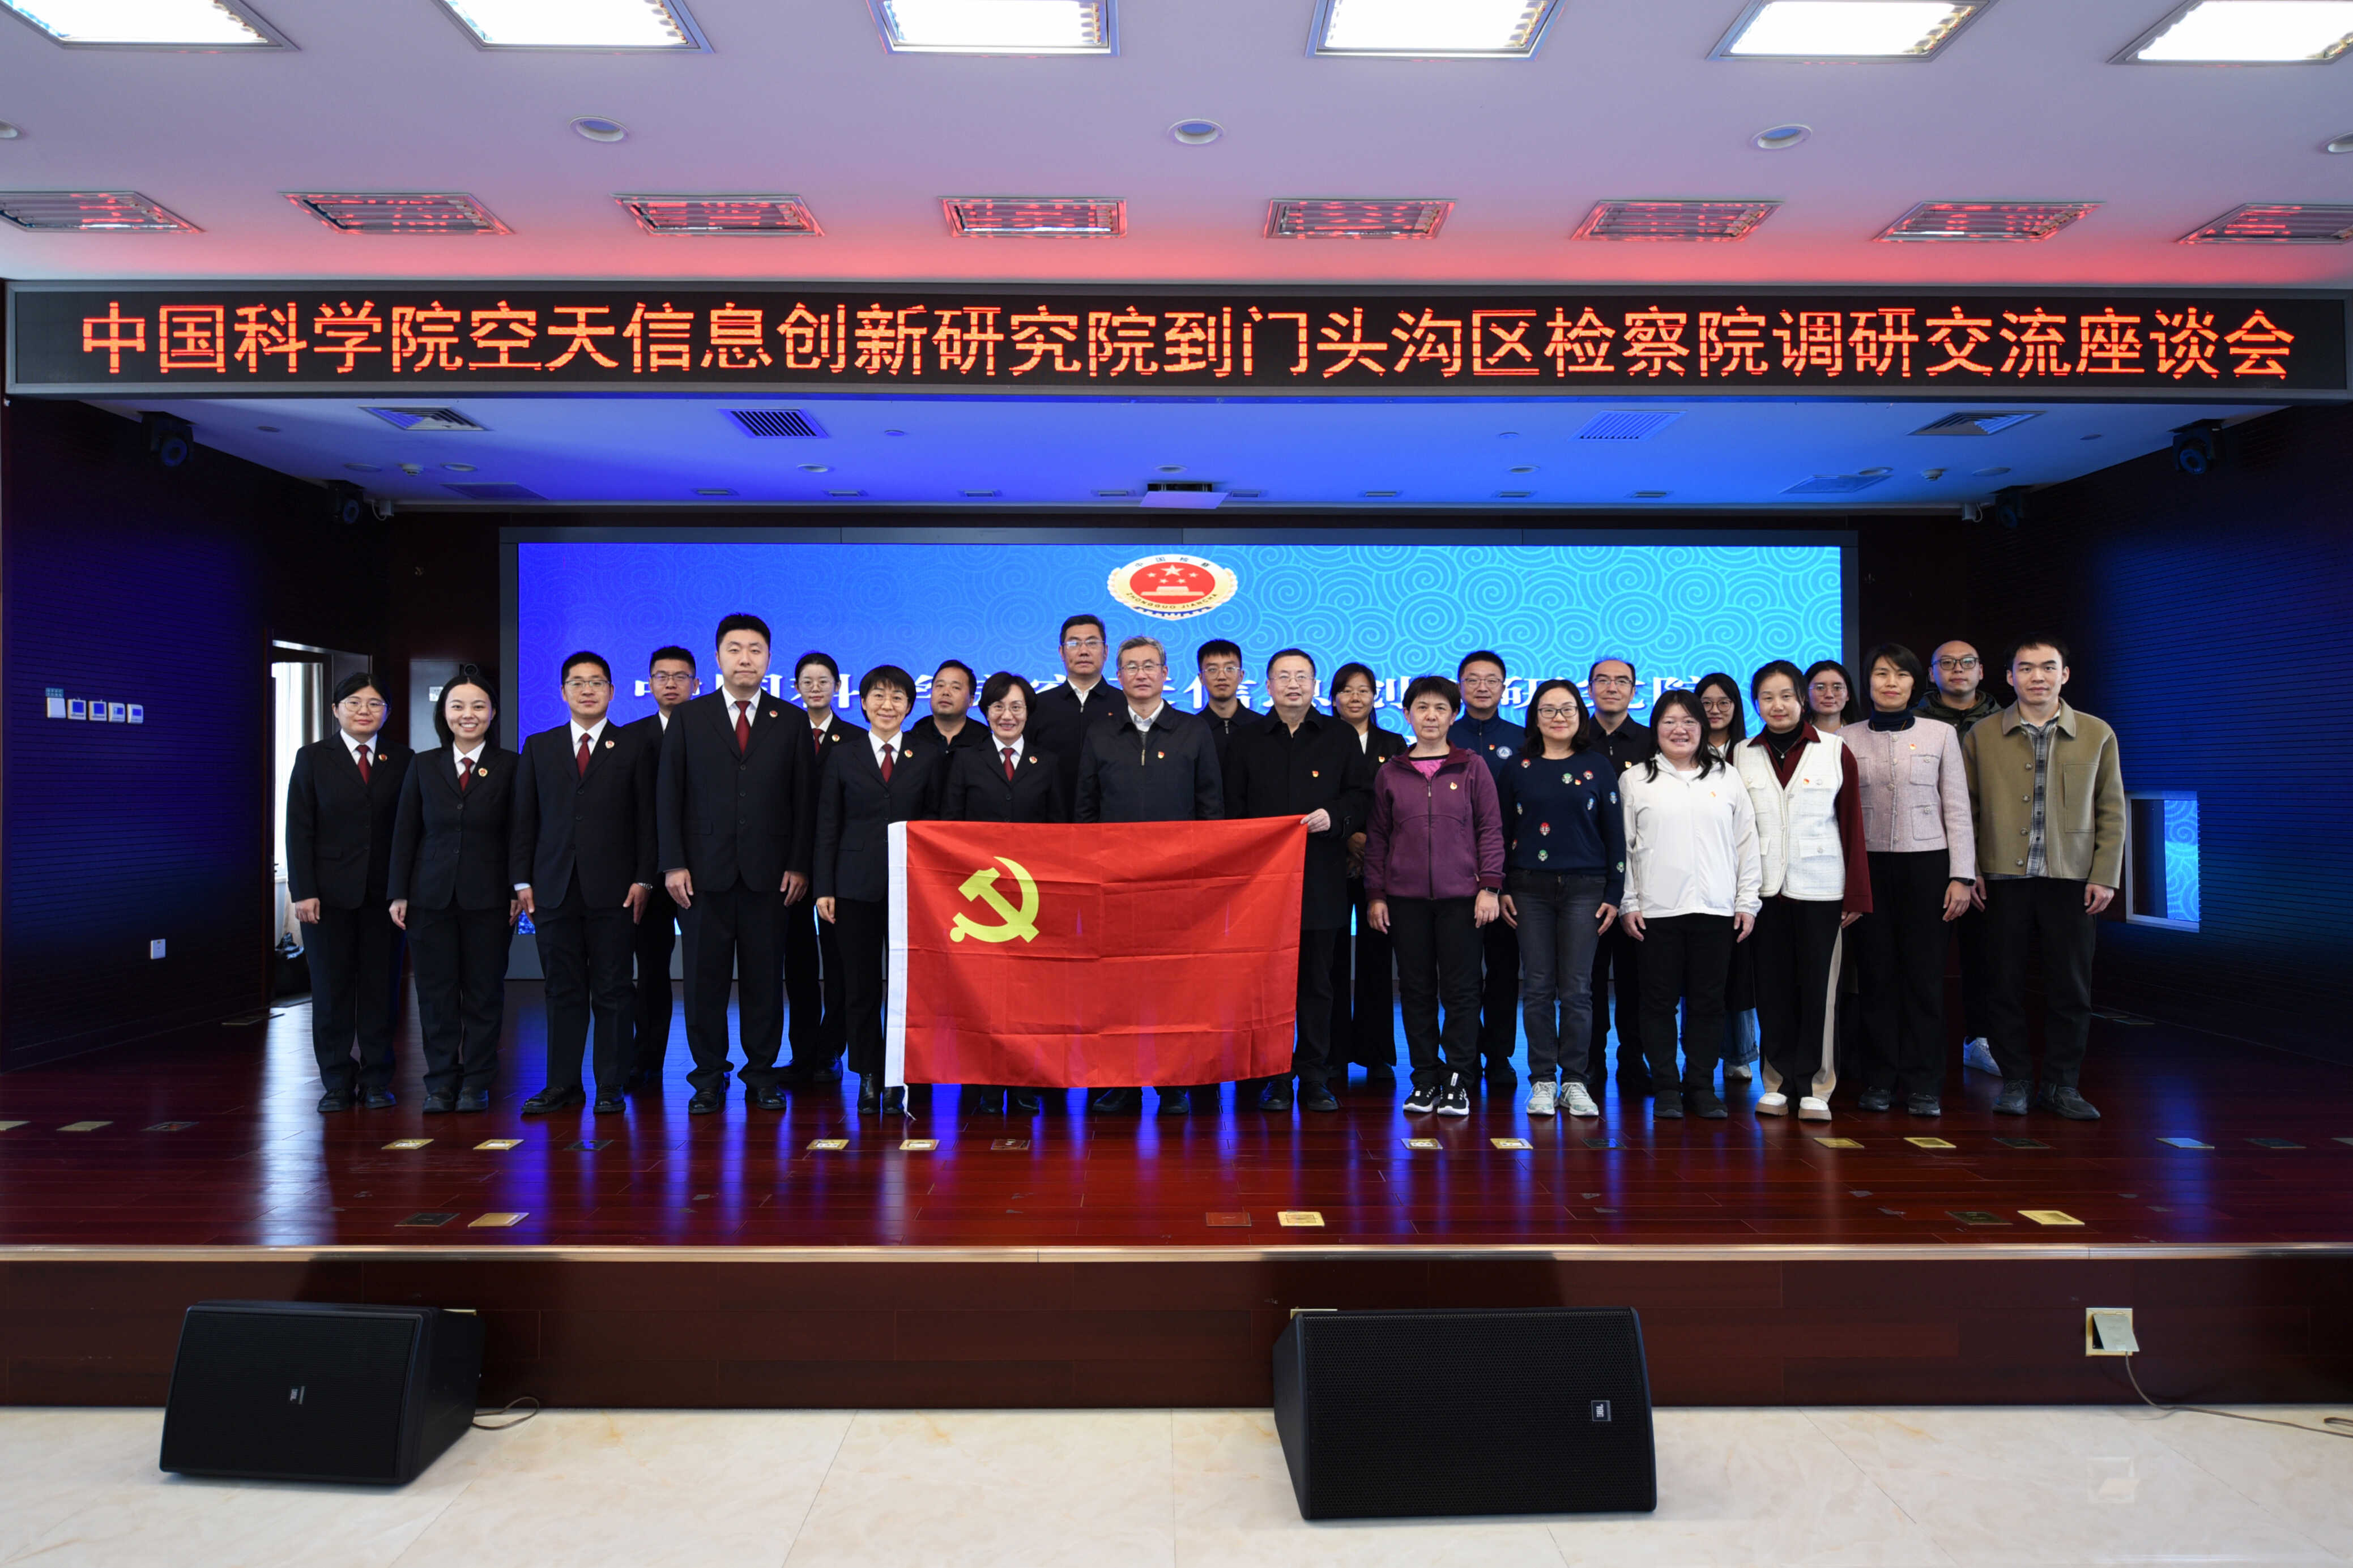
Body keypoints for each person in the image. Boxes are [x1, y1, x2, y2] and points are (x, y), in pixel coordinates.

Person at [657, 614, 818, 1116]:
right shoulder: (689, 716)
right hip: (701, 875)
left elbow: (804, 800)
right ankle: (708, 1076)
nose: (745, 658)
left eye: (755, 650)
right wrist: (673, 864)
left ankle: (761, 1075)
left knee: (765, 982)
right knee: (703, 981)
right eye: (734, 649)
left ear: (769, 658)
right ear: (718, 657)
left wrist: (799, 864)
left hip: (771, 875)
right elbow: (669, 795)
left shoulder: (791, 720)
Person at [1963, 638, 2125, 1121]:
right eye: (2027, 668)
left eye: (2048, 667)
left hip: (2071, 878)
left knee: (2071, 988)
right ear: (2009, 677)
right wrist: (1969, 870)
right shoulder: (1982, 734)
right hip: (2001, 878)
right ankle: (2015, 1080)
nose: (2038, 676)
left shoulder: (2097, 733)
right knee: (2003, 984)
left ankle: (2061, 1085)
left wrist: (2105, 874)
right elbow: (1966, 809)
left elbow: (2112, 809)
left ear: (2065, 674)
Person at [1076, 634, 1224, 1114]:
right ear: (1118, 676)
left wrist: (1203, 878)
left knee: (1172, 985)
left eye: (1150, 666)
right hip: (1114, 883)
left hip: (1177, 884)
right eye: (1131, 667)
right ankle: (1122, 1079)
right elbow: (1085, 810)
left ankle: (1172, 1080)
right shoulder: (1100, 733)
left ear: (1166, 674)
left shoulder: (1192, 731)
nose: (1141, 674)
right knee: (1118, 986)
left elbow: (1210, 809)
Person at [1223, 649, 1373, 1114]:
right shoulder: (1246, 740)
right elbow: (1230, 810)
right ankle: (1273, 1075)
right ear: (1267, 685)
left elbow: (1362, 796)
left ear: (1314, 685)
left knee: (1316, 983)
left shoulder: (1339, 736)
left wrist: (1337, 816)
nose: (1293, 684)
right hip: (1260, 886)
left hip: (1320, 879)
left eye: (1302, 677)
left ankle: (1314, 1075)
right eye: (1284, 677)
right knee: (1266, 987)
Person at [512, 651, 659, 1116]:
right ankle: (563, 1084)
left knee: (614, 988)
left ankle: (611, 1084)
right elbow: (524, 819)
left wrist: (644, 878)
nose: (587, 690)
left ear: (612, 692)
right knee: (562, 988)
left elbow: (648, 819)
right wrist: (521, 880)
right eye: (577, 682)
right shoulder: (539, 746)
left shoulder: (634, 745)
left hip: (616, 889)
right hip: (553, 886)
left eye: (597, 682)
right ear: (563, 692)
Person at [1734, 660, 1870, 1122]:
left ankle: (1815, 1084)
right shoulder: (1741, 754)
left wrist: (1856, 894)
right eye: (1767, 697)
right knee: (1772, 989)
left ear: (1802, 699)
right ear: (1756, 704)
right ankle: (1776, 1082)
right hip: (1763, 892)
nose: (1778, 705)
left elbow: (1852, 824)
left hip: (1823, 888)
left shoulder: (1835, 750)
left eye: (1787, 696)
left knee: (1819, 992)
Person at [1843, 644, 1974, 1118]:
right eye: (1881, 674)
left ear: (1915, 683)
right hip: (1868, 869)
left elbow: (1956, 806)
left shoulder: (1941, 734)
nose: (1891, 683)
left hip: (1929, 868)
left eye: (1900, 674)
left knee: (1924, 979)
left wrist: (1962, 875)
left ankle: (1923, 1084)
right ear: (1868, 682)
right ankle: (1879, 1079)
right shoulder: (1845, 738)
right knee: (1876, 977)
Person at [1618, 689, 1762, 1120]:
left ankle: (1700, 1085)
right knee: (1658, 1003)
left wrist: (1747, 901)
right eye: (1669, 722)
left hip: (1716, 910)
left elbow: (1746, 842)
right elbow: (1624, 848)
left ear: (1702, 728)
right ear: (1656, 729)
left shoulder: (1727, 777)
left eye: (1689, 722)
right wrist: (1628, 901)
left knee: (1708, 1003)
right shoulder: (1635, 780)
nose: (1679, 730)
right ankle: (1666, 1086)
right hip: (1655, 911)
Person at [1365, 676, 1503, 1118]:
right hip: (1404, 900)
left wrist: (1490, 887)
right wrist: (1376, 894)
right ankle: (1424, 1078)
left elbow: (1490, 829)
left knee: (1462, 991)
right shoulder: (1391, 771)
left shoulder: (1472, 767)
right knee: (1416, 990)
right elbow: (1378, 838)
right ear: (1407, 714)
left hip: (1463, 898)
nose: (1431, 716)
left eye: (1441, 708)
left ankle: (1459, 1078)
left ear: (1454, 715)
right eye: (1422, 708)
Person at [815, 665, 949, 1117]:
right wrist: (825, 886)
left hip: (914, 887)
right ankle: (869, 1075)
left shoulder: (927, 755)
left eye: (897, 697)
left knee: (910, 989)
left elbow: (937, 822)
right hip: (853, 886)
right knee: (860, 986)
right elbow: (827, 824)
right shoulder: (843, 755)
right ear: (863, 702)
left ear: (910, 706)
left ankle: (902, 1074)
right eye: (878, 696)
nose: (887, 705)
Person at [388, 666, 519, 1115]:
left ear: (493, 712)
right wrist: (398, 892)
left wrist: (517, 888)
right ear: (444, 713)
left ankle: (477, 1081)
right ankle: (441, 1081)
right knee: (436, 994)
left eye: (479, 706)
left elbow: (519, 833)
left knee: (484, 993)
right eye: (458, 706)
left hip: (490, 898)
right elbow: (406, 832)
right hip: (430, 897)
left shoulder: (512, 765)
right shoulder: (423, 764)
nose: (469, 714)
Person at [1494, 678, 1623, 1119]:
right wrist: (1502, 886)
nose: (1558, 717)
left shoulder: (1597, 765)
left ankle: (1575, 1081)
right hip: (1528, 888)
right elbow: (1501, 832)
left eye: (1567, 708)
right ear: (1535, 716)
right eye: (1548, 709)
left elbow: (1615, 833)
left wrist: (1614, 892)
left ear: (1580, 715)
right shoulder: (1517, 766)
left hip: (1586, 889)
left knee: (1578, 989)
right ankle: (1543, 1080)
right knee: (1536, 986)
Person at [941, 671, 1068, 1115]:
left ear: (1028, 713)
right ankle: (988, 1081)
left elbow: (1060, 830)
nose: (1007, 715)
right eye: (998, 706)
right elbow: (949, 826)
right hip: (980, 897)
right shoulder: (966, 760)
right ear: (985, 711)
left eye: (1016, 707)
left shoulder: (1047, 762)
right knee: (984, 993)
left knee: (1029, 993)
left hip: (1033, 897)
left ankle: (1025, 1079)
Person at [285, 673, 414, 1113]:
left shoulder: (403, 759)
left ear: (387, 712)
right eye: (354, 702)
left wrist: (403, 889)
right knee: (331, 990)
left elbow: (409, 829)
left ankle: (377, 1078)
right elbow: (298, 829)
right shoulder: (312, 758)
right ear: (336, 709)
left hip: (385, 897)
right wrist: (303, 891)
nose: (365, 710)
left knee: (381, 990)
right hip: (326, 898)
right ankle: (337, 1081)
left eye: (375, 703)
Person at [1915, 639, 2005, 1078]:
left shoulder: (2004, 722)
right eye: (1947, 663)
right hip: (1927, 850)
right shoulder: (1912, 722)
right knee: (1923, 958)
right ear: (1932, 673)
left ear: (1982, 670)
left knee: (1987, 956)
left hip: (1991, 854)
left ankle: (1981, 1040)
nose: (1958, 669)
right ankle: (1918, 1050)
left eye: (1967, 662)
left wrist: (1976, 865)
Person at [783, 651, 863, 1084]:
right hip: (791, 864)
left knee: (839, 962)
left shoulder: (855, 739)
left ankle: (831, 1049)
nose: (815, 688)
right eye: (807, 681)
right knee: (797, 962)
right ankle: (802, 1052)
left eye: (824, 681)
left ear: (838, 686)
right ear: (796, 687)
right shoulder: (782, 732)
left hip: (839, 864)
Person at [1328, 662, 1407, 1086]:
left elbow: (1401, 803)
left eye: (1364, 690)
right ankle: (1333, 1052)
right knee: (1333, 960)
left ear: (1376, 696)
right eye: (1347, 690)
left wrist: (1370, 844)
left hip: (1383, 863)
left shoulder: (1393, 744)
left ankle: (1377, 1052)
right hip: (1332, 861)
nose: (1355, 697)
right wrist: (1348, 839)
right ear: (1334, 697)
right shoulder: (1321, 739)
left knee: (1378, 959)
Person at [1451, 650, 1526, 1092]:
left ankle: (1499, 1055)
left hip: (1507, 876)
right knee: (1459, 974)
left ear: (1504, 687)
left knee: (1503, 969)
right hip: (1452, 874)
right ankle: (1463, 1053)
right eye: (1473, 679)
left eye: (1491, 679)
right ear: (1460, 686)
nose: (1482, 687)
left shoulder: (1522, 739)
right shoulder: (1444, 735)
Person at [624, 646, 698, 1091]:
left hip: (702, 871)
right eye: (661, 676)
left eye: (680, 676)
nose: (671, 684)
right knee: (651, 969)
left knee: (704, 971)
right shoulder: (631, 737)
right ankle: (646, 1058)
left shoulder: (712, 731)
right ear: (649, 684)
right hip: (648, 874)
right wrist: (642, 871)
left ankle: (711, 1064)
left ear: (697, 683)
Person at [1584, 656, 1655, 1098]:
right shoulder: (1573, 739)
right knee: (1587, 980)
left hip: (1643, 882)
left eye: (1622, 681)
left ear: (1634, 690)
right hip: (1586, 881)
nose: (1612, 687)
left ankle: (1633, 1062)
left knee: (1637, 980)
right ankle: (1589, 1063)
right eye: (1603, 680)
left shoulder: (1652, 741)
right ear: (1589, 687)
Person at [1696, 670, 1759, 1083]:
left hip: (1745, 870)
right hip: (1697, 875)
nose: (1715, 710)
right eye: (1706, 703)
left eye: (1724, 702)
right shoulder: (1682, 751)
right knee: (1701, 976)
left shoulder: (1752, 752)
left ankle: (1739, 1052)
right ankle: (1699, 1056)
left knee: (1740, 971)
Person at [1030, 614, 1123, 801]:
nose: (1084, 651)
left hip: (1110, 813)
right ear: (1061, 652)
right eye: (1074, 644)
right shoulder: (1037, 706)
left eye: (1092, 643)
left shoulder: (1125, 705)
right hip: (1050, 812)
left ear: (1106, 651)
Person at [1196, 638, 1262, 771]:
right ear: (1201, 678)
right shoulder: (1191, 730)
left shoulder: (1262, 727)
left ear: (1241, 675)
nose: (1222, 676)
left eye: (1230, 669)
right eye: (1212, 669)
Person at [907, 659, 986, 762]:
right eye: (940, 686)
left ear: (971, 700)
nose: (946, 692)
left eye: (956, 687)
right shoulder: (911, 739)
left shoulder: (985, 742)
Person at [1804, 659, 1859, 736]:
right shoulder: (1797, 736)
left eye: (1837, 688)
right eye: (1820, 688)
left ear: (1848, 695)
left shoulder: (1860, 734)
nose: (1829, 695)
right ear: (1806, 695)